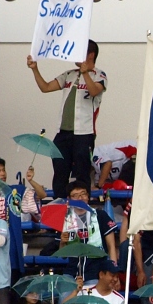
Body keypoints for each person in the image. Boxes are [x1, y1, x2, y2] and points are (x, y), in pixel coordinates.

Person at [27, 40, 106, 196]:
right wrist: (35, 69)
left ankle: (82, 208)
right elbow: (45, 87)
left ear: (90, 55)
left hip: (84, 133)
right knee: (60, 173)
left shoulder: (99, 75)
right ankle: (59, 208)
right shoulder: (70, 74)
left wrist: (85, 73)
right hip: (63, 133)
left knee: (82, 174)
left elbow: (94, 91)